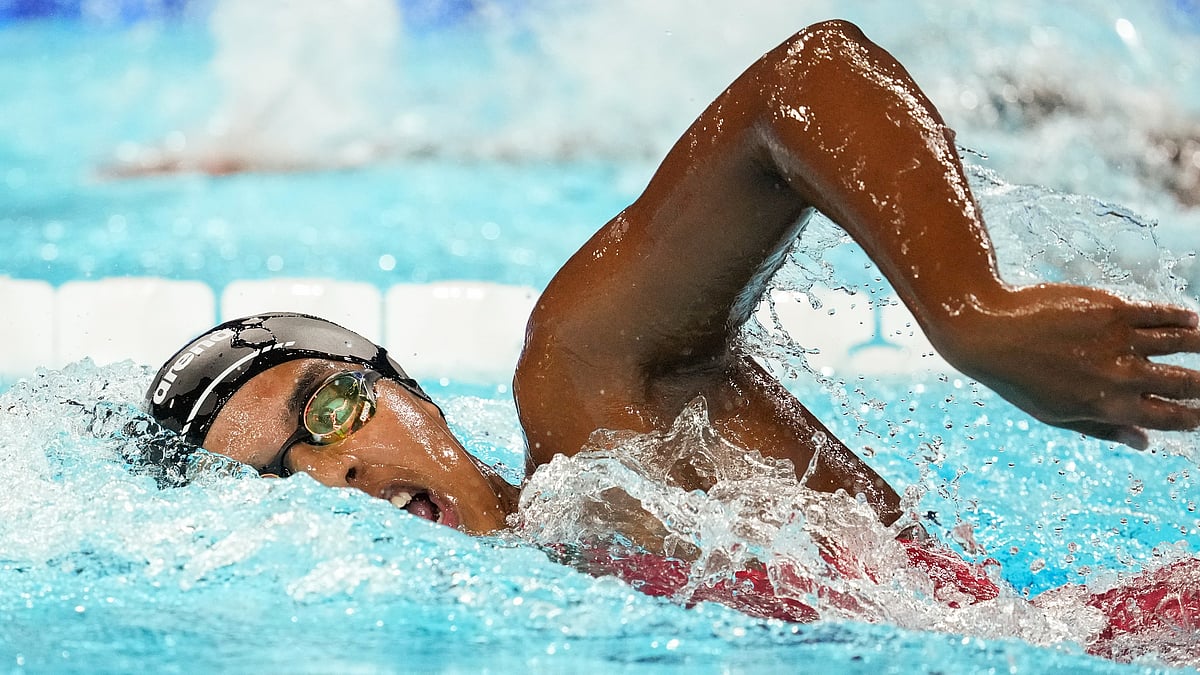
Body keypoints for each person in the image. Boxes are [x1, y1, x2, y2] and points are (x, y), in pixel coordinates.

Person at [146, 20, 1200, 653]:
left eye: (328, 411)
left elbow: (807, 78)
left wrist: (972, 314)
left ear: (408, 390)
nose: (333, 472)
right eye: (279, 483)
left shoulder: (596, 412)